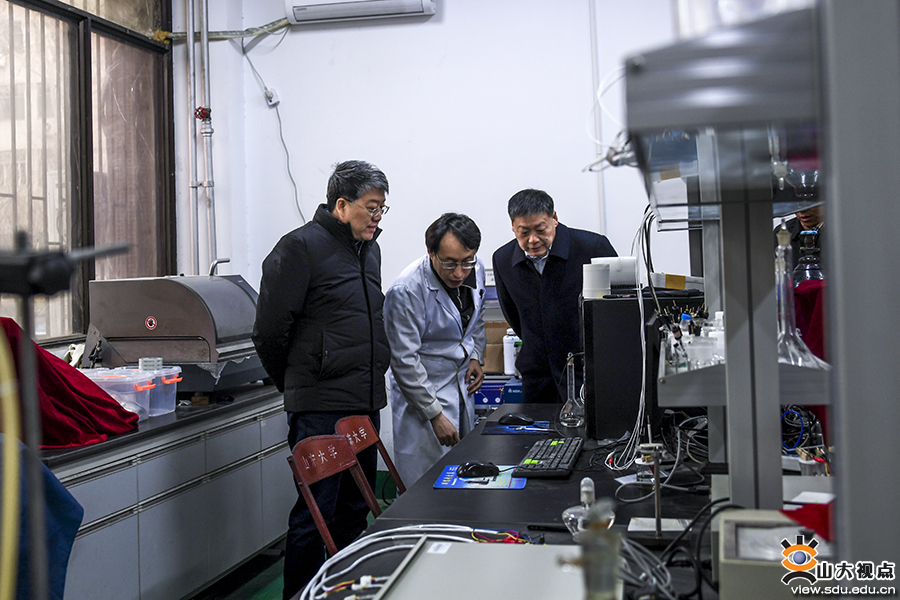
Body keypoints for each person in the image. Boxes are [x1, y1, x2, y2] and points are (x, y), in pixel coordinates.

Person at [251, 160, 392, 599]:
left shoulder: (369, 250)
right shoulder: (299, 248)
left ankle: (344, 591)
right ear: (342, 205)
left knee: (354, 508)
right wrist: (299, 384)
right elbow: (269, 332)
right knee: (316, 514)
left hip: (363, 400)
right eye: (371, 207)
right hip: (319, 408)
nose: (377, 216)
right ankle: (301, 593)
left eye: (382, 208)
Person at [384, 213, 487, 485]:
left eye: (466, 261)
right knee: (426, 484)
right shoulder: (407, 290)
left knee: (464, 476)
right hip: (424, 394)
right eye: (450, 263)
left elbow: (476, 318)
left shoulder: (475, 268)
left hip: (460, 387)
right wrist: (434, 414)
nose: (459, 273)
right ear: (431, 253)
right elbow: (404, 361)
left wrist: (475, 355)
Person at [492, 189, 617, 404]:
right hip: (537, 376)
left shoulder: (592, 248)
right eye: (523, 232)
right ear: (513, 227)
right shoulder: (503, 260)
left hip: (588, 370)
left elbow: (617, 310)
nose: (533, 240)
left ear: (554, 219)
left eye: (541, 230)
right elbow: (512, 313)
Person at [775, 202, 824, 272]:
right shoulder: (782, 233)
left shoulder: (839, 232)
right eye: (797, 205)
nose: (802, 210)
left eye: (809, 203)